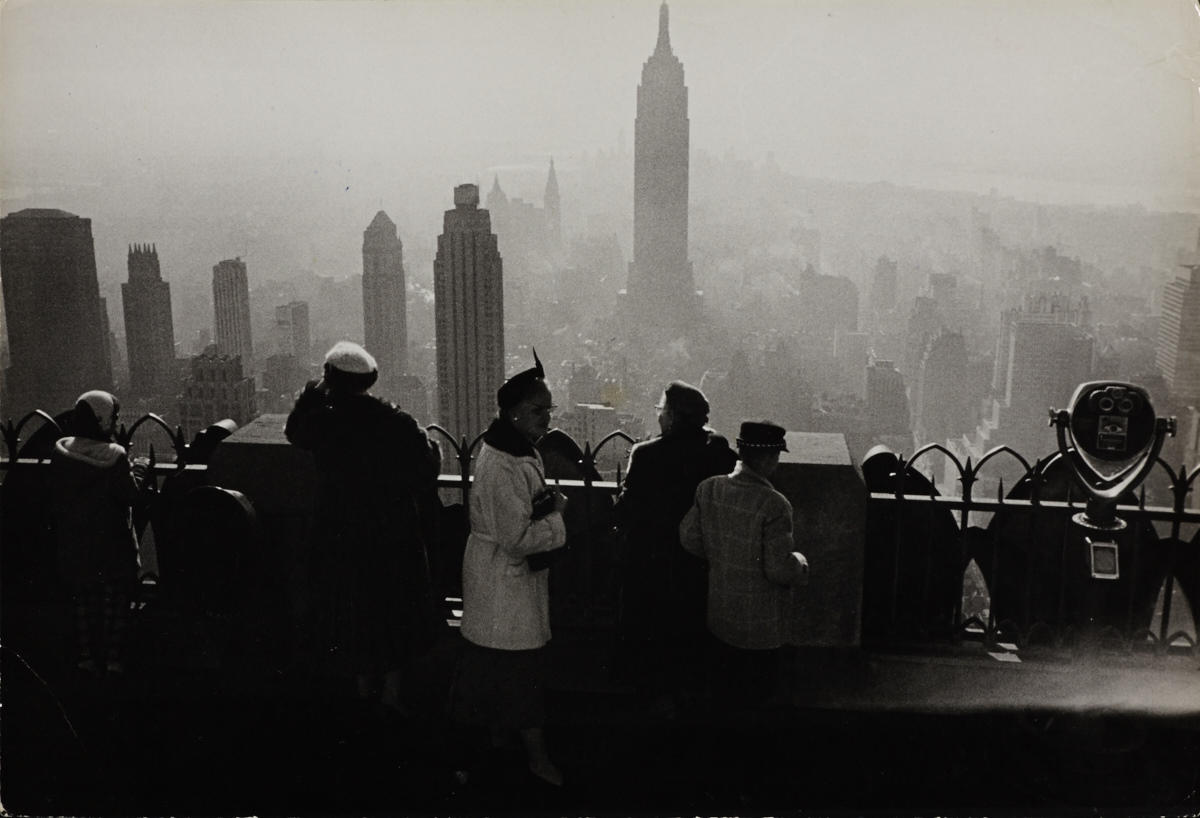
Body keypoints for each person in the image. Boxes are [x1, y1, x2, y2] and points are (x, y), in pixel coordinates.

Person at [285, 341, 441, 714]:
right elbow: (426, 468)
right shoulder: (396, 421)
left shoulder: (323, 421)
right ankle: (391, 693)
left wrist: (310, 394)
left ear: (330, 379)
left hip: (339, 533)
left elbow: (294, 432)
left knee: (352, 611)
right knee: (392, 611)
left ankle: (361, 687)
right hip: (390, 534)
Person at [451, 350, 568, 788]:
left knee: (491, 670)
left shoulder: (509, 449)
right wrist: (556, 517)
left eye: (549, 410)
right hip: (504, 582)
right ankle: (536, 760)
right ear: (514, 412)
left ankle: (487, 749)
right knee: (518, 674)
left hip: (499, 582)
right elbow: (516, 539)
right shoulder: (504, 463)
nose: (547, 419)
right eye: (538, 411)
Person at [612, 380, 736, 715]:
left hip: (651, 562)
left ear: (672, 415)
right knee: (689, 632)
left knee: (650, 635)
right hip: (696, 562)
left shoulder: (647, 454)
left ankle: (655, 701)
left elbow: (626, 510)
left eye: (661, 410)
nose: (658, 416)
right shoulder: (717, 450)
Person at [678, 420, 809, 707]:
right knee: (756, 699)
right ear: (768, 458)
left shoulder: (709, 488)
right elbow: (778, 569)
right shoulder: (775, 504)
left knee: (723, 696)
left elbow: (689, 538)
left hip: (720, 617)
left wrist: (722, 554)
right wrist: (800, 564)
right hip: (760, 627)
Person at [49, 390, 147, 675]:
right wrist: (140, 469)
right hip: (112, 545)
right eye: (113, 418)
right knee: (116, 603)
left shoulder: (62, 454)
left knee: (83, 601)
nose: (116, 423)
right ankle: (113, 660)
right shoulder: (115, 457)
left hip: (75, 544)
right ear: (103, 420)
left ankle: (86, 658)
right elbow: (131, 495)